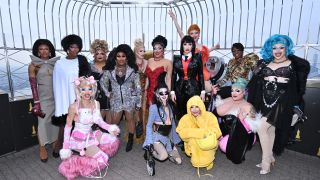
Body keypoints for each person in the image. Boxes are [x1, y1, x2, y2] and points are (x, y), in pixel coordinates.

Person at [247, 34, 310, 174]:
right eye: (274, 47)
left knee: (262, 126)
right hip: (265, 101)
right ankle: (270, 158)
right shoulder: (264, 63)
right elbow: (254, 84)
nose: (278, 50)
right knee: (270, 130)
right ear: (270, 49)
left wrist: (296, 106)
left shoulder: (294, 65)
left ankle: (266, 162)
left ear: (287, 48)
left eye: (282, 47)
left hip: (282, 102)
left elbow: (298, 88)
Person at [58, 76, 120, 179]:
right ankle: (75, 164)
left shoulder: (96, 103)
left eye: (89, 89)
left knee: (112, 140)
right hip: (79, 139)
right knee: (103, 159)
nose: (87, 92)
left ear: (93, 90)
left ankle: (91, 152)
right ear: (79, 90)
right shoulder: (74, 107)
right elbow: (68, 126)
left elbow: (99, 121)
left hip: (90, 134)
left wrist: (110, 128)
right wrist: (65, 146)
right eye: (83, 89)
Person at [52, 34, 91, 154]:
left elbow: (87, 77)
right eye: (72, 47)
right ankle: (61, 146)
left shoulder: (82, 60)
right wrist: (60, 100)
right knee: (65, 124)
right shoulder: (59, 64)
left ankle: (78, 146)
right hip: (64, 97)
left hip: (78, 95)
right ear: (67, 48)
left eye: (77, 47)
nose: (75, 49)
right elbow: (57, 83)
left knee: (79, 123)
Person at [100, 44, 141, 152]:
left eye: (123, 56)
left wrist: (137, 102)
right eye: (118, 56)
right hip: (116, 101)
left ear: (127, 57)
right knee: (114, 122)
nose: (121, 58)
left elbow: (137, 87)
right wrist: (108, 94)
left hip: (129, 101)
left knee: (130, 119)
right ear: (115, 57)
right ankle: (112, 141)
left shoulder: (133, 70)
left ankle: (130, 140)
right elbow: (102, 83)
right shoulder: (109, 70)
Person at [168, 10, 220, 93]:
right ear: (189, 35)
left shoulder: (203, 47)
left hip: (202, 73)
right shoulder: (188, 46)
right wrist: (174, 18)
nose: (194, 35)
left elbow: (204, 55)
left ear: (199, 34)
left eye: (196, 33)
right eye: (191, 33)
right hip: (190, 73)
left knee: (208, 88)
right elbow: (180, 32)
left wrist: (214, 48)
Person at [212, 78, 260, 164]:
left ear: (244, 92)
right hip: (222, 132)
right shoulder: (228, 99)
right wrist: (214, 95)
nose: (233, 93)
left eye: (237, 91)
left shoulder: (248, 107)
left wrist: (242, 121)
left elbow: (254, 128)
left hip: (239, 137)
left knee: (224, 145)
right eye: (232, 90)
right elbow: (213, 113)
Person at [143, 72, 182, 176]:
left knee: (178, 161)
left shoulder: (171, 106)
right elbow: (149, 126)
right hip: (156, 138)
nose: (164, 95)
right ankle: (150, 154)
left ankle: (168, 150)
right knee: (162, 157)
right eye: (161, 93)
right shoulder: (154, 108)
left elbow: (173, 125)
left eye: (166, 93)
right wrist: (149, 142)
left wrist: (176, 140)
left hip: (167, 138)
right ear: (156, 94)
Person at [28, 39, 60, 162]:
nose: (44, 51)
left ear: (50, 51)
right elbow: (32, 85)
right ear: (37, 51)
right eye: (41, 49)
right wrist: (36, 102)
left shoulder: (55, 64)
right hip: (43, 98)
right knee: (42, 123)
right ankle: (42, 148)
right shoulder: (33, 65)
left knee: (55, 122)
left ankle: (54, 143)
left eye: (46, 49)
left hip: (56, 97)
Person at [176, 96, 221, 176]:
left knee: (202, 140)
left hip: (208, 145)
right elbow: (181, 133)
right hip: (192, 146)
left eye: (197, 106)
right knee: (194, 140)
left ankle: (208, 161)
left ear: (201, 106)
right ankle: (197, 160)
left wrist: (200, 121)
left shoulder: (210, 116)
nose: (194, 109)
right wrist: (202, 134)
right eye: (191, 107)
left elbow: (217, 132)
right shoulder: (185, 118)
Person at [171, 35, 205, 120]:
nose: (187, 47)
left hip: (194, 88)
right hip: (180, 88)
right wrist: (172, 91)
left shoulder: (197, 58)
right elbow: (174, 76)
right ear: (182, 46)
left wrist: (203, 91)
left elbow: (201, 74)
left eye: (190, 44)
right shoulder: (176, 58)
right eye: (185, 44)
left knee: (194, 111)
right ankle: (182, 130)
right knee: (181, 111)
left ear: (193, 46)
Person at [145, 35, 173, 107]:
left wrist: (168, 94)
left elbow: (168, 79)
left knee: (160, 114)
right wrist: (145, 90)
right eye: (155, 48)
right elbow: (147, 78)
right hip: (148, 92)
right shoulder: (149, 60)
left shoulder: (168, 62)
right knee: (150, 115)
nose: (157, 51)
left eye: (159, 48)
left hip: (160, 93)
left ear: (163, 50)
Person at [89, 39, 111, 122]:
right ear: (94, 55)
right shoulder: (89, 67)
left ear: (105, 54)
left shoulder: (110, 67)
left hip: (108, 97)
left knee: (108, 122)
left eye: (102, 53)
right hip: (94, 97)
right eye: (97, 53)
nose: (99, 55)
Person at [133, 38, 148, 141]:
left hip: (145, 89)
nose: (143, 53)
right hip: (133, 91)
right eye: (140, 51)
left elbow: (149, 77)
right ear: (135, 52)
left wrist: (146, 89)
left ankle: (146, 133)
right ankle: (137, 129)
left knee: (144, 110)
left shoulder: (147, 62)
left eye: (144, 51)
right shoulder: (131, 63)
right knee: (136, 110)